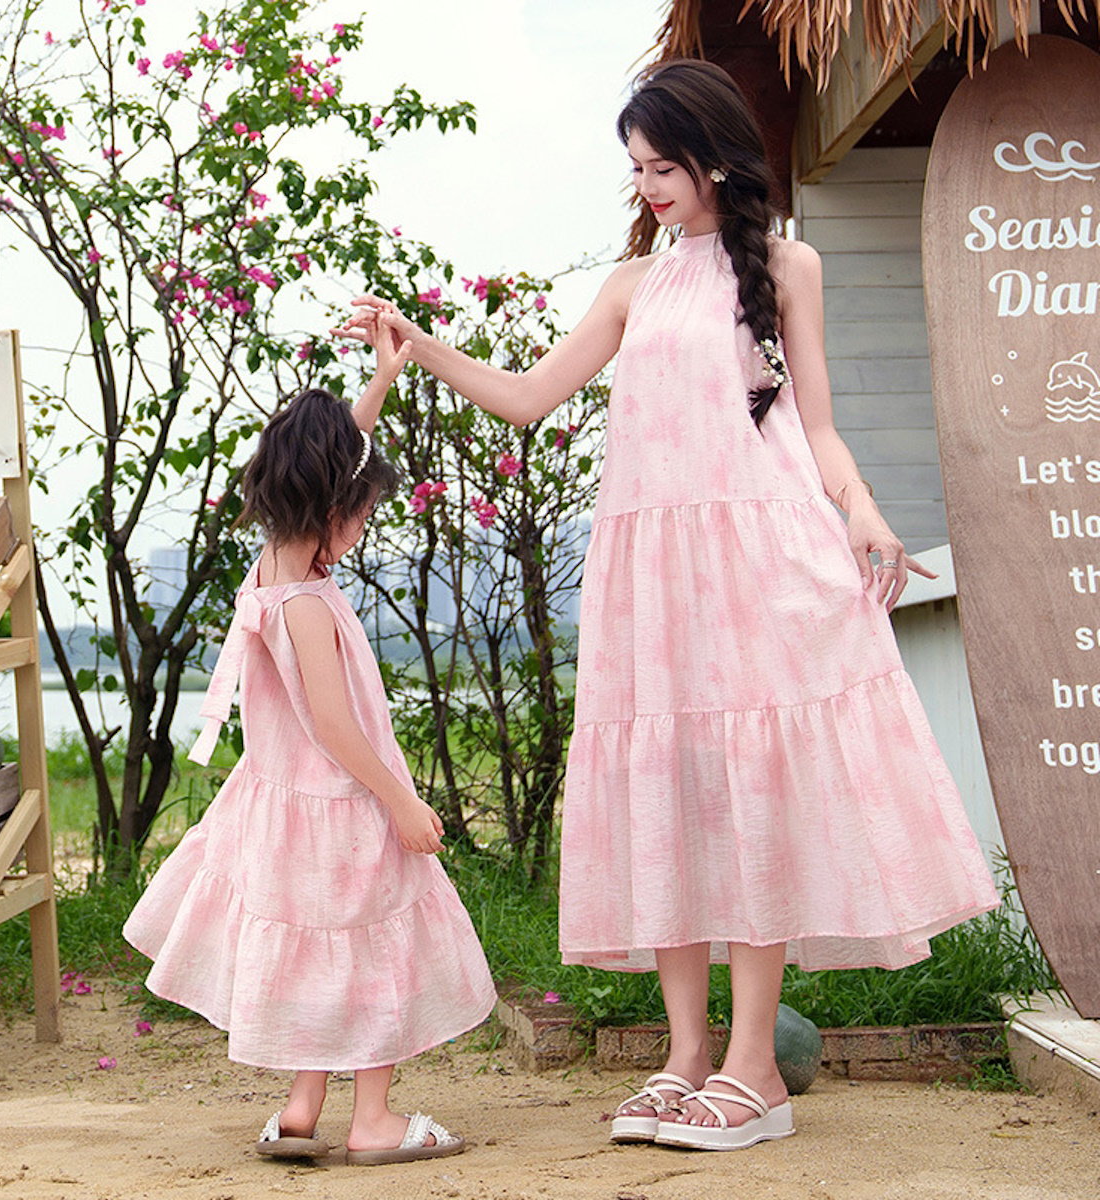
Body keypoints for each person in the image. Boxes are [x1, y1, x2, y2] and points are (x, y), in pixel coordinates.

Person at [335, 59, 999, 1152]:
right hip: (651, 581)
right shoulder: (631, 287)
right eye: (636, 169)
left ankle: (754, 1071)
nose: (648, 186)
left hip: (761, 560)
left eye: (664, 166)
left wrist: (867, 515)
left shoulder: (789, 264)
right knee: (674, 797)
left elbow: (818, 428)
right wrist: (416, 341)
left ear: (716, 158)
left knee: (750, 796)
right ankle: (685, 1055)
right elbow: (527, 399)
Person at [123, 318, 496, 1166]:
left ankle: (300, 1109)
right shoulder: (307, 609)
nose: (364, 530)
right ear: (334, 509)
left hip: (280, 807)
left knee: (311, 958)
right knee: (373, 954)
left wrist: (381, 381)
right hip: (346, 803)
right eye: (362, 515)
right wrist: (401, 800)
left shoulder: (273, 569)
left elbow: (338, 451)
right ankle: (372, 1121)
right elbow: (334, 724)